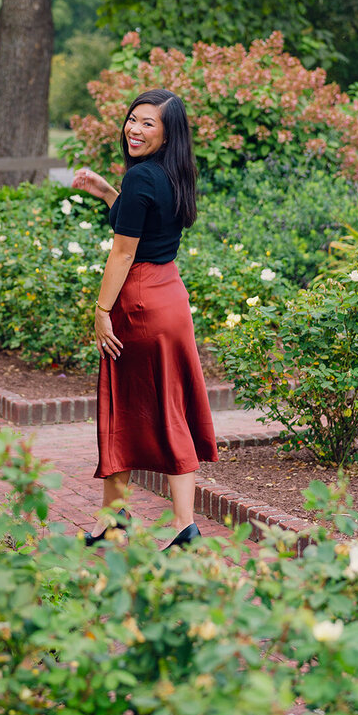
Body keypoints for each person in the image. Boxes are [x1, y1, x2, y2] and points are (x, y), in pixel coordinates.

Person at [72, 88, 218, 549]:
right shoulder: (173, 173)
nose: (134, 129)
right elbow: (146, 224)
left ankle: (116, 517)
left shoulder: (141, 179)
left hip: (136, 302)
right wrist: (105, 191)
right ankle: (181, 524)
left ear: (167, 133)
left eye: (147, 123)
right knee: (170, 406)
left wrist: (100, 311)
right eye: (132, 119)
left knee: (123, 409)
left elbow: (124, 250)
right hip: (170, 297)